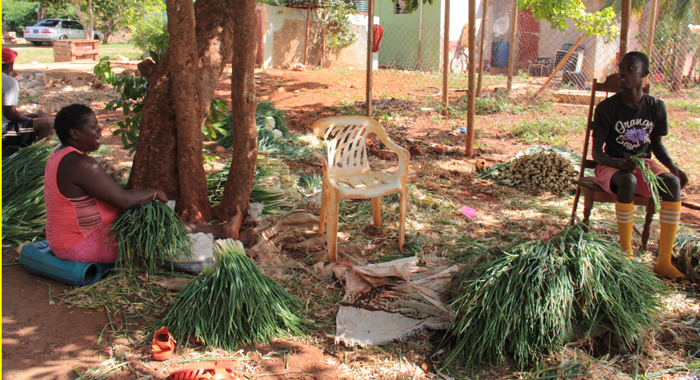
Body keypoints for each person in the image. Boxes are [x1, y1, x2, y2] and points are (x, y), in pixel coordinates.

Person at [45, 103, 242, 264]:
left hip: (70, 238)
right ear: (75, 133)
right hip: (80, 243)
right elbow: (122, 199)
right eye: (93, 126)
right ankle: (220, 242)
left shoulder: (61, 154)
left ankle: (221, 231)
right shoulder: (78, 163)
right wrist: (154, 193)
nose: (100, 130)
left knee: (154, 222)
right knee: (157, 239)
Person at [592, 51, 690, 282]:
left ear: (644, 73)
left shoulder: (656, 106)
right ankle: (627, 255)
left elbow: (656, 145)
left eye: (629, 69)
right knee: (628, 180)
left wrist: (673, 168)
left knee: (672, 183)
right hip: (611, 166)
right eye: (621, 68)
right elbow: (597, 154)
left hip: (643, 164)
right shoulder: (606, 108)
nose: (623, 73)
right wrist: (618, 164)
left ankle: (664, 262)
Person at [2, 47, 54, 156]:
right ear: (11, 65)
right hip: (4, 131)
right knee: (46, 123)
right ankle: (37, 158)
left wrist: (31, 118)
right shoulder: (9, 82)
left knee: (40, 115)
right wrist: (27, 119)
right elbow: (10, 113)